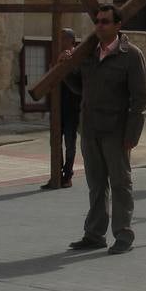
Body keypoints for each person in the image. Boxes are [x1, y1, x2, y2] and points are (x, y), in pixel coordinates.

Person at [68, 5, 146, 255]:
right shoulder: (89, 54)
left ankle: (123, 234)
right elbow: (80, 87)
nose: (99, 25)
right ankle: (94, 234)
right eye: (97, 21)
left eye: (104, 21)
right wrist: (69, 67)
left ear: (117, 25)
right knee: (96, 184)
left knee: (120, 183)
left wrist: (132, 136)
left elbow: (140, 99)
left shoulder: (131, 55)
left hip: (116, 131)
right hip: (90, 129)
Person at [42, 28, 82, 191]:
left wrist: (64, 65)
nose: (61, 41)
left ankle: (68, 175)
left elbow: (77, 81)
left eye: (64, 38)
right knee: (55, 142)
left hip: (72, 107)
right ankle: (56, 174)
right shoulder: (56, 57)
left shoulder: (77, 57)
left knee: (70, 143)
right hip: (57, 107)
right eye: (59, 38)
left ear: (71, 41)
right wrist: (56, 64)